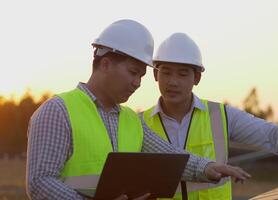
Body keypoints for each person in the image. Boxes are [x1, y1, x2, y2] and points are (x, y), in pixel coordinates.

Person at [26, 20, 251, 200]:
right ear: (105, 64)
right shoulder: (58, 111)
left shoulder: (130, 120)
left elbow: (169, 156)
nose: (138, 83)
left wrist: (208, 167)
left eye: (141, 76)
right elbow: (40, 182)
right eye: (133, 73)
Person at [141, 32, 278, 200]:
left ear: (197, 77)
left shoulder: (219, 115)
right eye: (166, 72)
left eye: (182, 73)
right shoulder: (139, 124)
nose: (172, 82)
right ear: (155, 75)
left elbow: (267, 133)